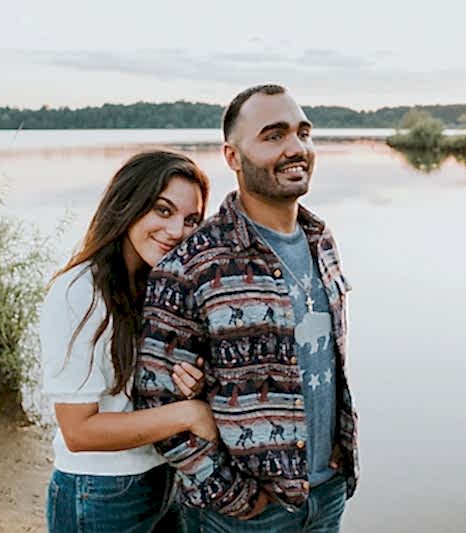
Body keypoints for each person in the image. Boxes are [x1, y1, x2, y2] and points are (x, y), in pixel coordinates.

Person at [135, 84, 359, 532]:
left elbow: (327, 360)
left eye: (303, 132)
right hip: (246, 515)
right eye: (273, 136)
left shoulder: (322, 241)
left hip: (327, 493)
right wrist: (232, 496)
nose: (296, 148)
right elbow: (156, 398)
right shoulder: (192, 263)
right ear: (232, 157)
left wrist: (340, 451)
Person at [40, 150, 216, 533]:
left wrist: (190, 386)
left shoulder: (160, 287)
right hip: (100, 492)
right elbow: (78, 431)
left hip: (164, 477)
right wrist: (187, 414)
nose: (177, 232)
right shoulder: (78, 292)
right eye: (163, 210)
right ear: (127, 205)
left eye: (191, 220)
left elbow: (141, 392)